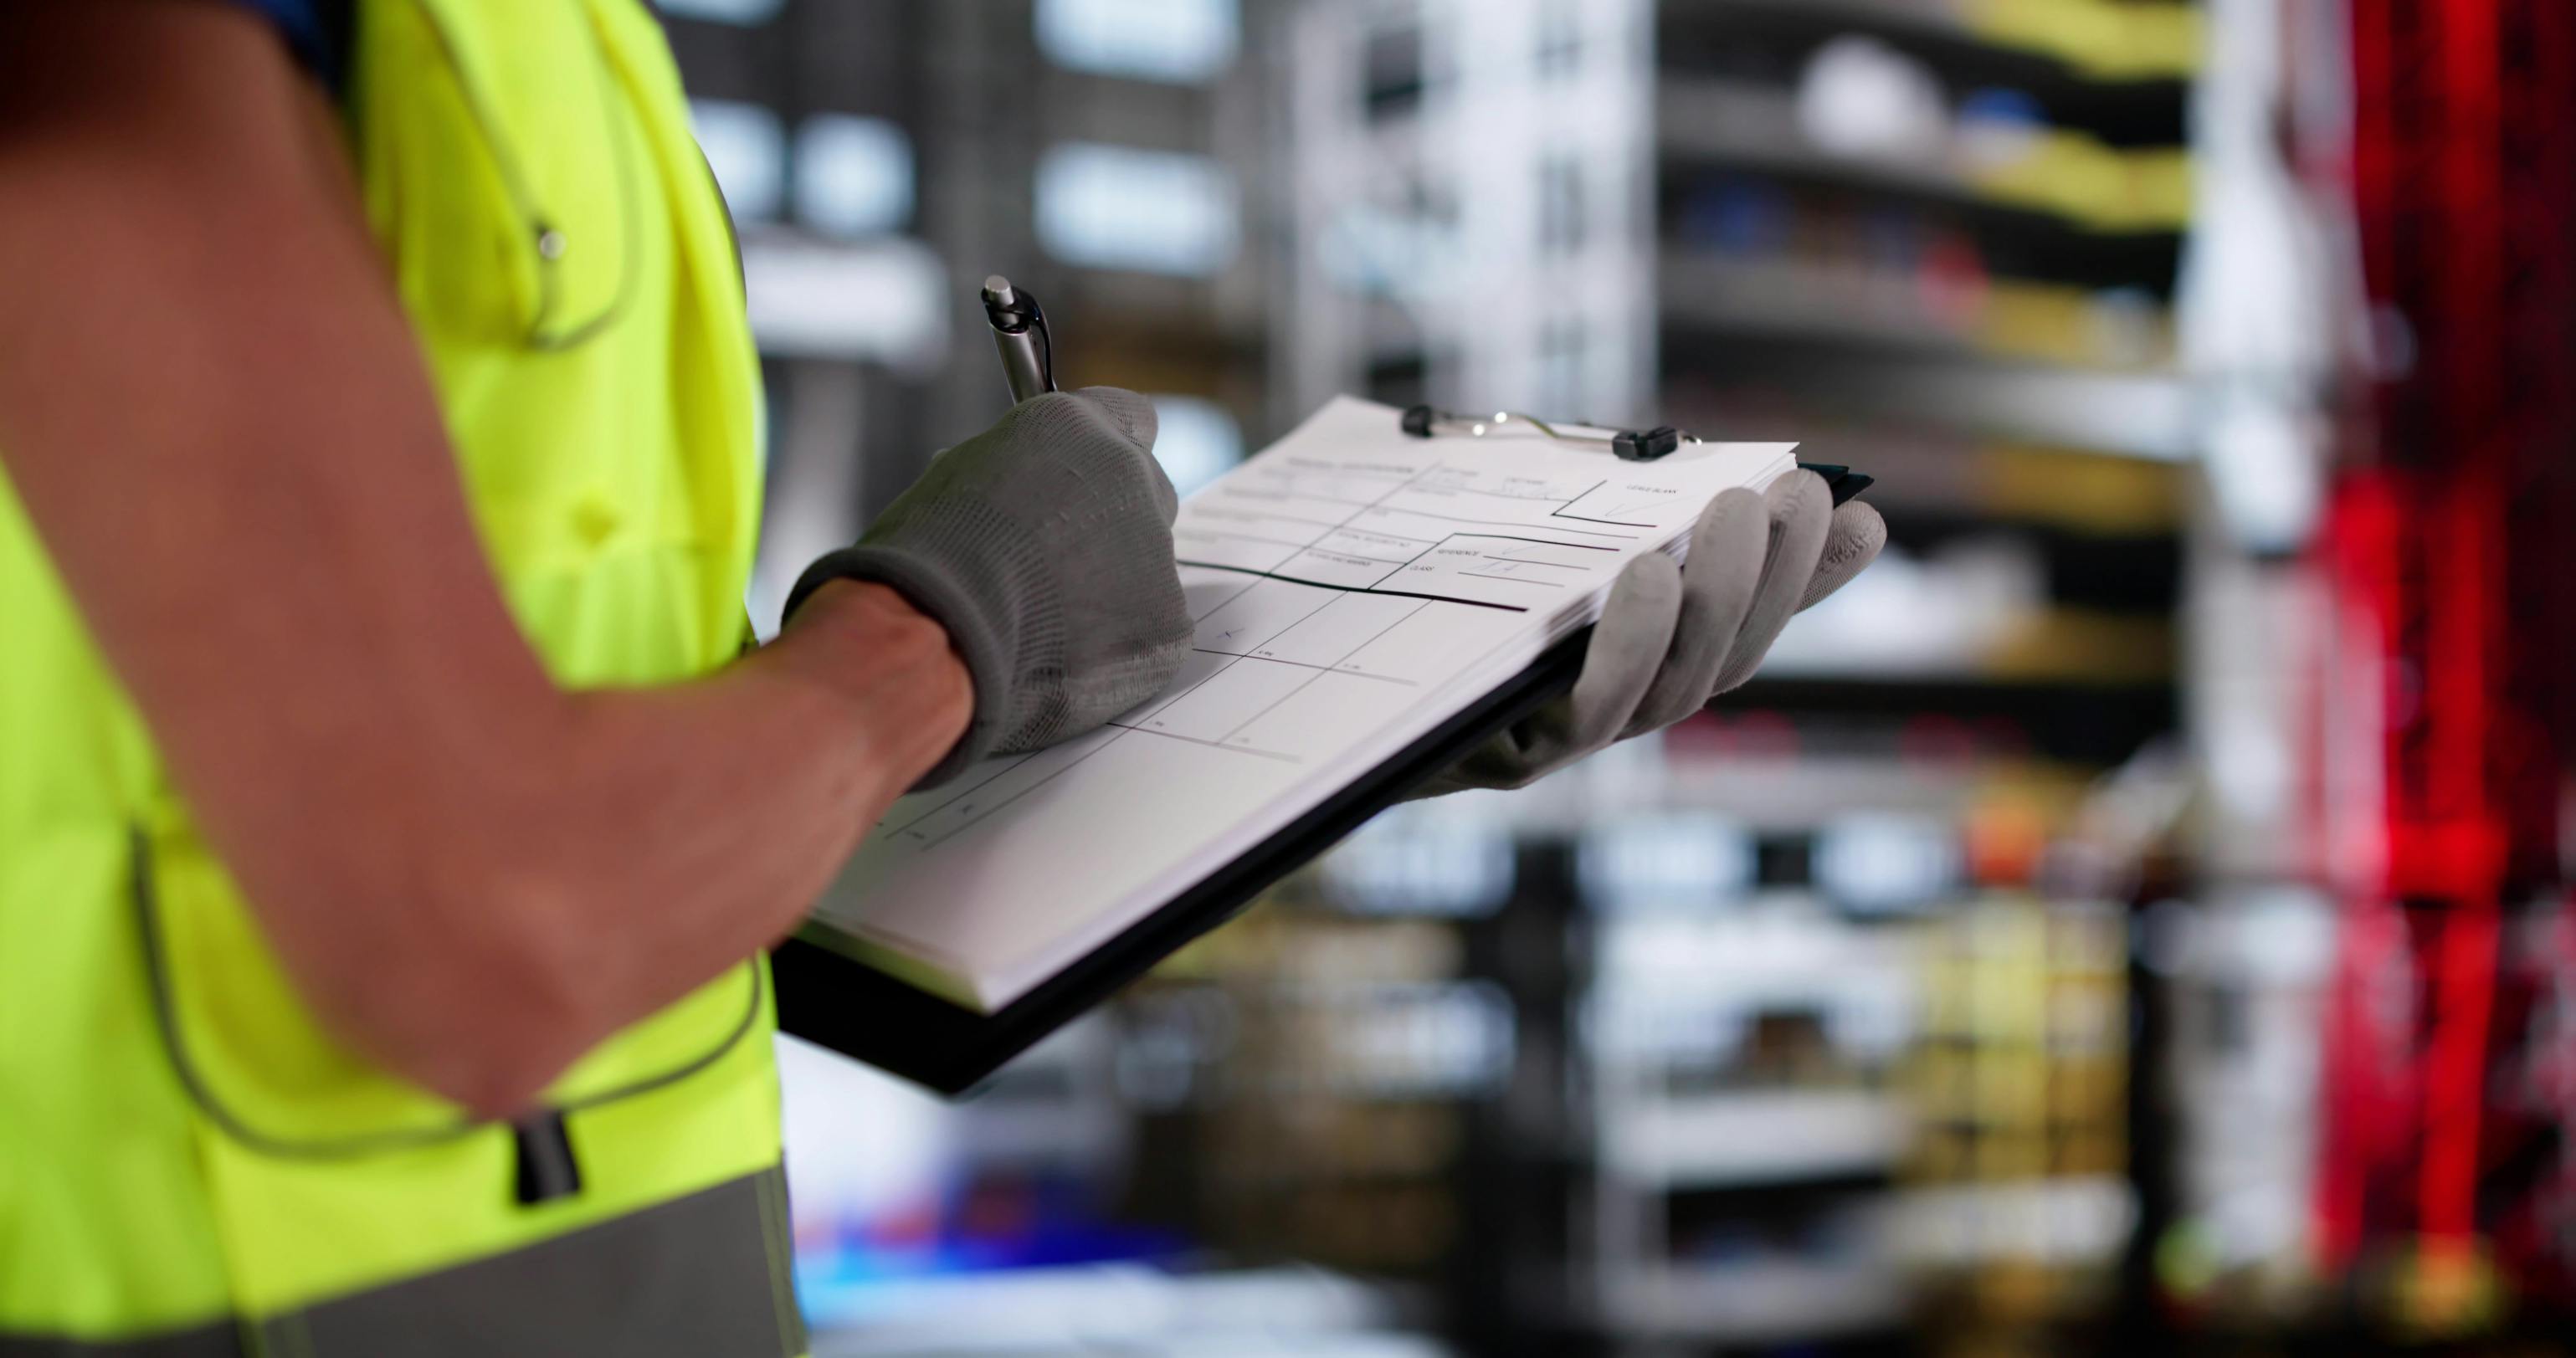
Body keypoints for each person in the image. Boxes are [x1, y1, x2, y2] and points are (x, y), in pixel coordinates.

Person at [0, 3, 1884, 1354]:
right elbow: (485, 927)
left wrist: (1338, 715)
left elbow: (665, 829)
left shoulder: (546, 41)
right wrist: (939, 629)